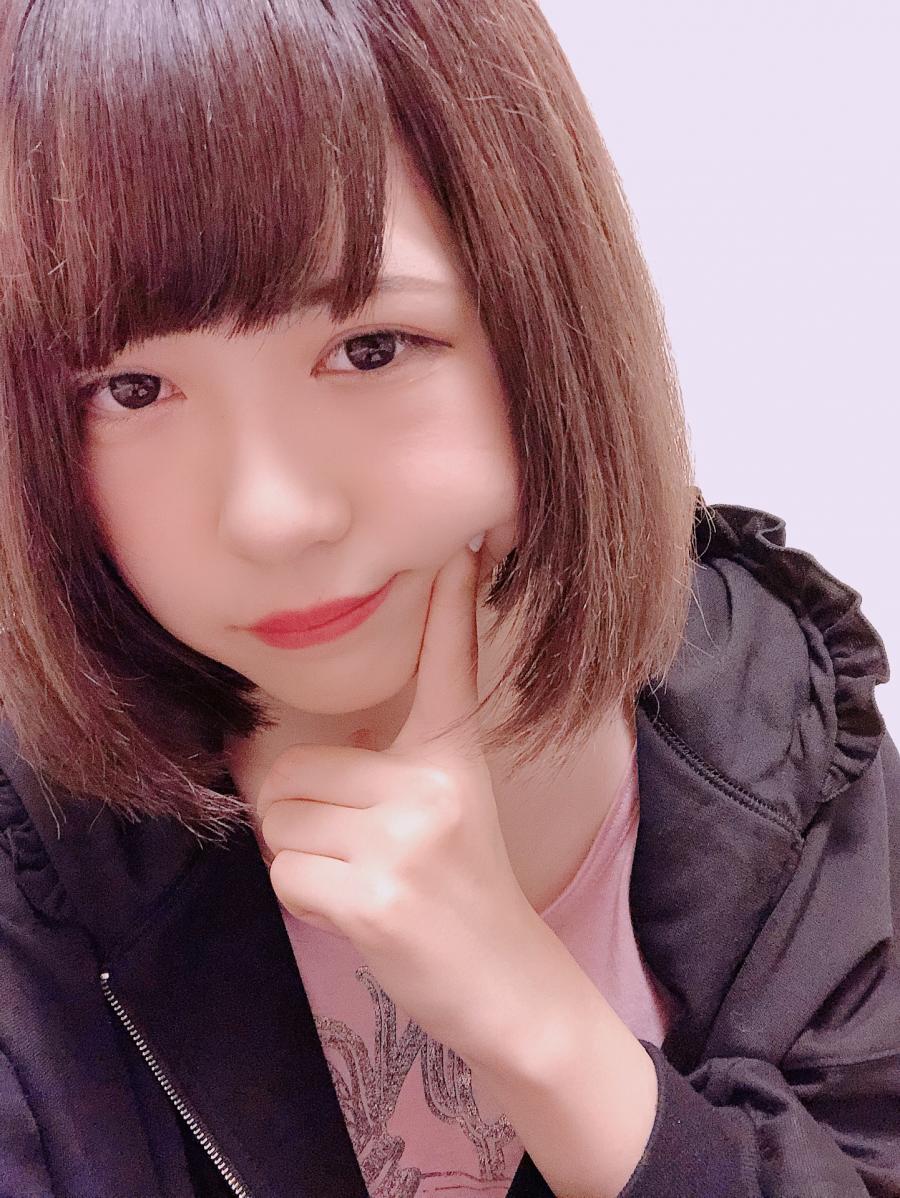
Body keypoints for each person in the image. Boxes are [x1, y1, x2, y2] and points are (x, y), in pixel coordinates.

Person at [0, 1, 896, 1196]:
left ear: (543, 319)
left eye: (369, 348)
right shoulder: (36, 863)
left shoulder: (771, 720)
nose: (271, 514)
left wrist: (533, 1020)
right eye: (132, 387)